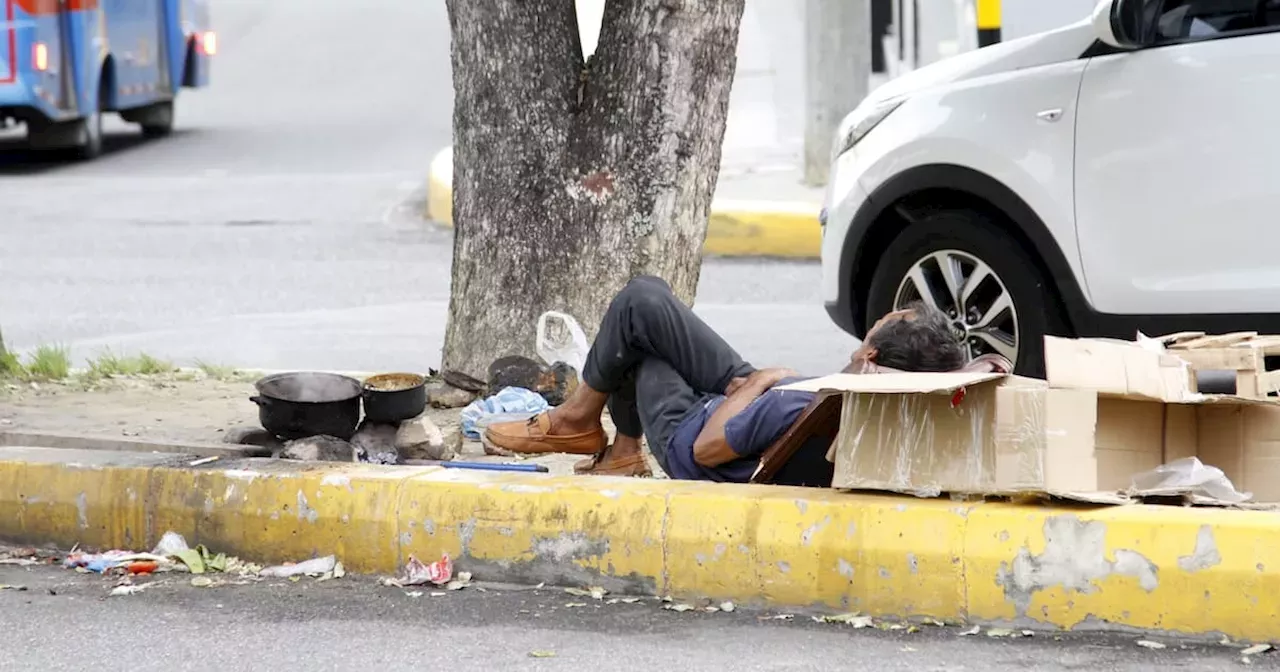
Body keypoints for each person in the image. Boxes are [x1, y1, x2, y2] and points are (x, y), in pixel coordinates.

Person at [483, 275, 969, 482]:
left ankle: (578, 421)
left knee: (638, 309)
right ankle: (618, 452)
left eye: (891, 316)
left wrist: (758, 385)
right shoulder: (868, 398)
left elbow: (707, 450)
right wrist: (760, 384)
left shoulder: (808, 405)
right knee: (648, 297)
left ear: (871, 352)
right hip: (748, 406)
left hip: (691, 433)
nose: (885, 313)